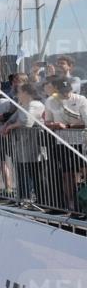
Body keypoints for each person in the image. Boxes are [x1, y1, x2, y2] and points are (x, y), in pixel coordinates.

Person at [43, 78, 87, 211]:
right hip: (61, 142)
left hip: (81, 142)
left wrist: (68, 126)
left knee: (83, 171)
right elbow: (47, 122)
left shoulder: (81, 99)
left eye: (68, 90)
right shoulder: (50, 101)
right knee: (67, 174)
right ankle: (71, 203)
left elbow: (85, 121)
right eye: (63, 91)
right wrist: (54, 125)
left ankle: (83, 201)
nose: (66, 93)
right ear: (57, 90)